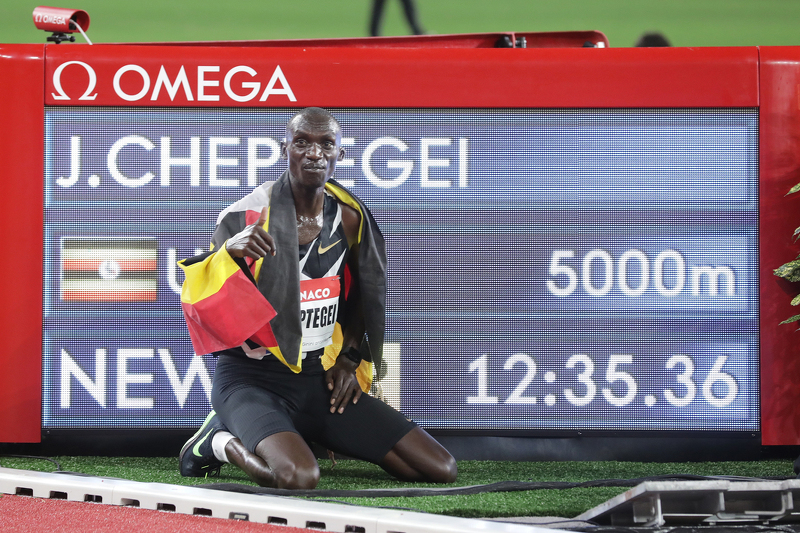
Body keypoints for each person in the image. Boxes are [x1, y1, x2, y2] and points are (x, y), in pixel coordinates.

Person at [177, 107, 457, 489]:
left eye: (326, 144)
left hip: (314, 379)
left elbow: (363, 294)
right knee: (298, 477)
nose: (314, 153)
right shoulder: (245, 216)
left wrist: (349, 357)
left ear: (339, 155)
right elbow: (200, 303)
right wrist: (227, 253)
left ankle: (311, 432)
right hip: (251, 380)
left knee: (439, 468)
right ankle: (219, 441)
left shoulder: (350, 217)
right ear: (285, 149)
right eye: (302, 142)